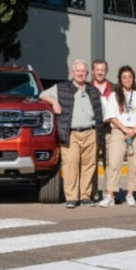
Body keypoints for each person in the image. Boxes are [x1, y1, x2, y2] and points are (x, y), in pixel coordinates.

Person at [40, 59, 105, 209]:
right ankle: (71, 197)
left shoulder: (93, 91)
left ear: (87, 74)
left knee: (89, 166)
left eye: (83, 71)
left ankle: (85, 196)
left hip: (90, 132)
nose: (81, 74)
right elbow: (42, 94)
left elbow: (100, 112)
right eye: (78, 71)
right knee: (71, 164)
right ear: (72, 73)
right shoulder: (62, 88)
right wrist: (54, 102)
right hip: (71, 133)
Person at [99, 66, 136, 208]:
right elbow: (111, 116)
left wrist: (133, 131)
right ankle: (110, 194)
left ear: (133, 78)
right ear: (120, 80)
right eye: (124, 77)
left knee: (134, 165)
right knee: (114, 164)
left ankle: (130, 193)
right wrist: (124, 129)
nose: (127, 79)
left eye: (130, 77)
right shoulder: (114, 96)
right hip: (119, 131)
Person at [91, 59, 113, 200]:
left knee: (111, 162)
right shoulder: (87, 89)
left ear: (106, 71)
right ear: (93, 71)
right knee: (92, 162)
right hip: (93, 130)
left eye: (102, 70)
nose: (100, 72)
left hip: (110, 129)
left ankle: (109, 192)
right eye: (97, 69)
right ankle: (92, 193)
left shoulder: (114, 88)